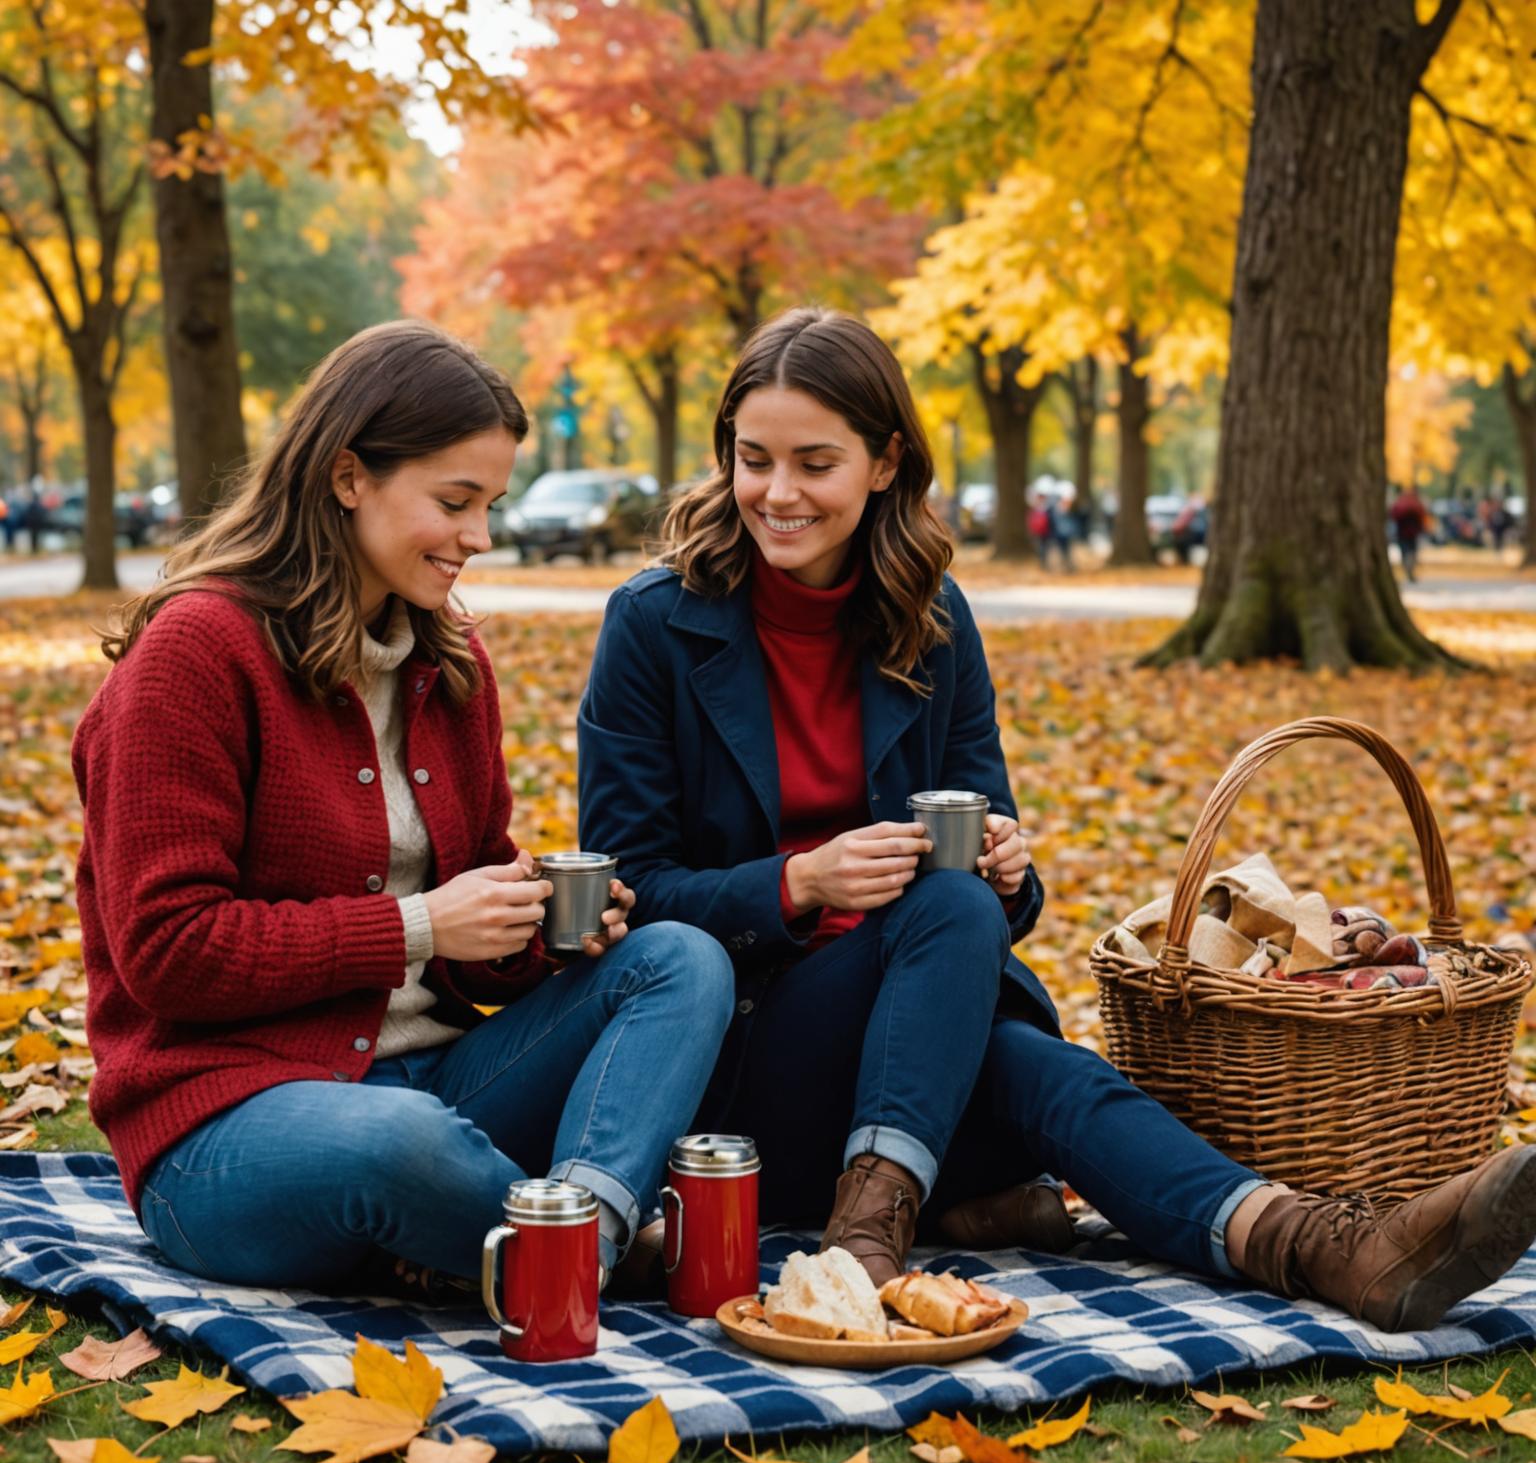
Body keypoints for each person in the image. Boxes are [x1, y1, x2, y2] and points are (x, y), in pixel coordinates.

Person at [577, 306, 1536, 1332]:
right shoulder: (656, 624)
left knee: (1017, 1030)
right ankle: (879, 1235)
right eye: (752, 459)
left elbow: (1005, 899)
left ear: (887, 461)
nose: (777, 493)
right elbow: (631, 897)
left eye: (815, 463)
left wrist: (1006, 867)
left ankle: (1325, 1247)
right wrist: (797, 884)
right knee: (986, 986)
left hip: (923, 1050)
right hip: (747, 1059)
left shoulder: (931, 617)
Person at [74, 320, 733, 1297]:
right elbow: (170, 954)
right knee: (400, 1140)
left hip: (439, 1085)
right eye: (454, 502)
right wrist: (422, 924)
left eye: (491, 504)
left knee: (681, 960)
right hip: (227, 1126)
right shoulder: (196, 658)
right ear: (349, 476)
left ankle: (568, 1245)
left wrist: (533, 933)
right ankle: (568, 1253)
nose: (479, 536)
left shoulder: (449, 666)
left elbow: (469, 957)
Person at [1389, 483, 1429, 582]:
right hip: (1412, 531)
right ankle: (1409, 569)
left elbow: (1393, 514)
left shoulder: (1401, 502)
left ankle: (1408, 569)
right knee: (1412, 551)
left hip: (1402, 531)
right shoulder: (1416, 503)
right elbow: (1422, 516)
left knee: (1405, 551)